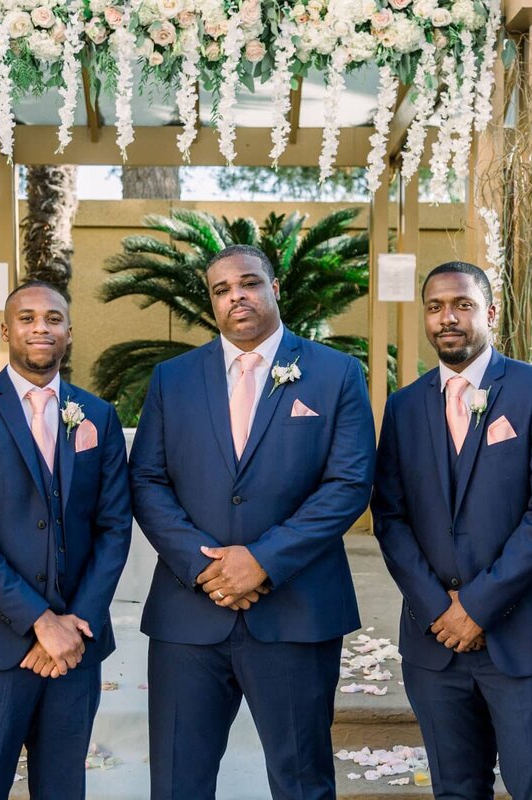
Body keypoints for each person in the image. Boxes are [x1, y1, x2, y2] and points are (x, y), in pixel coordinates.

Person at [129, 244, 375, 800]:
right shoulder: (173, 379)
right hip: (188, 615)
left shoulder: (336, 374)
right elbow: (147, 480)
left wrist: (262, 561)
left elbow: (348, 485)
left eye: (248, 283)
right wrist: (202, 565)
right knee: (177, 782)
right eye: (221, 290)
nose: (235, 297)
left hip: (296, 611)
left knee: (302, 782)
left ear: (275, 288)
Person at [372, 261, 532, 800]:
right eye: (435, 307)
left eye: (463, 305)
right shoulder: (404, 407)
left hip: (529, 639)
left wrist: (475, 607)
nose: (447, 318)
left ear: (491, 313)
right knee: (454, 790)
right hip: (436, 645)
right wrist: (438, 608)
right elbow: (390, 516)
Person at [0, 280, 131, 800]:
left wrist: (75, 625)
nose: (40, 327)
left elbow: (114, 529)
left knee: (64, 787)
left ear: (69, 331)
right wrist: (40, 621)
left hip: (75, 647)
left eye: (52, 318)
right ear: (5, 329)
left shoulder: (98, 416)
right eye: (26, 318)